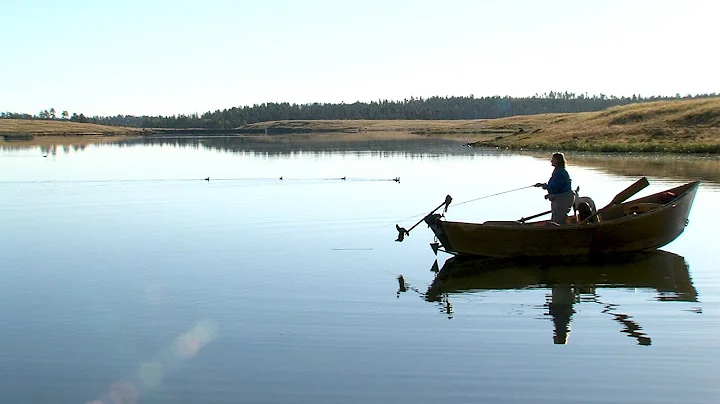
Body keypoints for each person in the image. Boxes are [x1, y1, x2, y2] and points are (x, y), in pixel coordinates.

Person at [534, 152, 574, 224]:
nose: (551, 161)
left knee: (558, 221)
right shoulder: (558, 171)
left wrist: (544, 186)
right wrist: (543, 185)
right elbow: (555, 186)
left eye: (553, 159)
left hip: (563, 199)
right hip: (562, 198)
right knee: (556, 219)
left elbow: (554, 187)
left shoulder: (560, 172)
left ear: (557, 161)